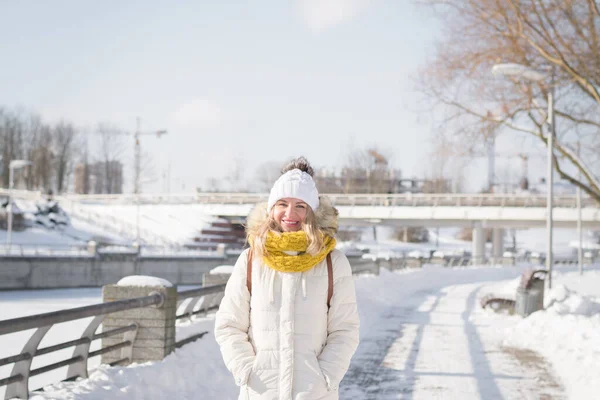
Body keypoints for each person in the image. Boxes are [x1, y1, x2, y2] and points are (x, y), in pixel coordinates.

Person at [215, 157, 360, 400]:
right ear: (272, 208)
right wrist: (247, 372)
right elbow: (229, 325)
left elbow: (345, 330)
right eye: (282, 203)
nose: (290, 213)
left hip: (315, 394)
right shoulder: (251, 260)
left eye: (300, 206)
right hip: (260, 393)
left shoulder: (333, 262)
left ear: (311, 212)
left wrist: (325, 377)